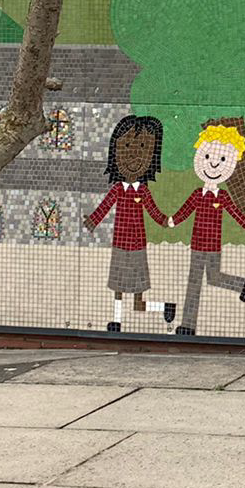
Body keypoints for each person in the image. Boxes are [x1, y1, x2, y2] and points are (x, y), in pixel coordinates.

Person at [163, 116, 245, 336]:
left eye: (222, 159)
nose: (213, 164)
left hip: (213, 245)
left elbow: (237, 214)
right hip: (198, 245)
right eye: (207, 156)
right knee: (195, 282)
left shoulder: (222, 197)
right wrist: (172, 220)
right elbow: (185, 210)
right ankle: (188, 325)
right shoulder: (198, 194)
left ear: (231, 164)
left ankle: (242, 285)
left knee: (213, 277)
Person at [84, 115, 168, 331]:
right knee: (118, 284)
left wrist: (166, 221)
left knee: (139, 290)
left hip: (138, 243)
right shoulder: (118, 189)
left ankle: (163, 307)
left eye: (142, 147)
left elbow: (154, 211)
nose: (133, 155)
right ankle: (117, 319)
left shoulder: (143, 191)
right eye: (127, 147)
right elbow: (104, 206)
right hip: (120, 243)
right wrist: (92, 221)